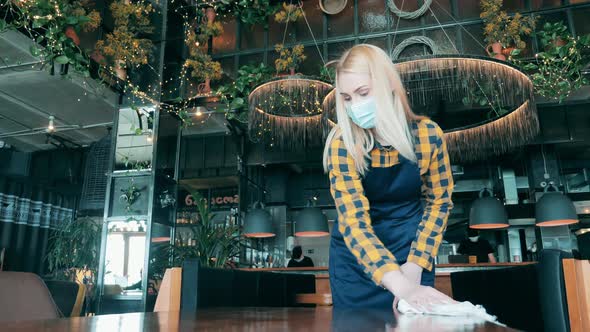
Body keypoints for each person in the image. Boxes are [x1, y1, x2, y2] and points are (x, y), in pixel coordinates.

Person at [323, 44, 455, 309]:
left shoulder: (428, 136)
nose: (355, 106)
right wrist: (398, 283)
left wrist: (417, 263)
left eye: (363, 93)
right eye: (347, 98)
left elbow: (439, 202)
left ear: (388, 85)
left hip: (412, 255)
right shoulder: (343, 143)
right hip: (356, 264)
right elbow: (353, 221)